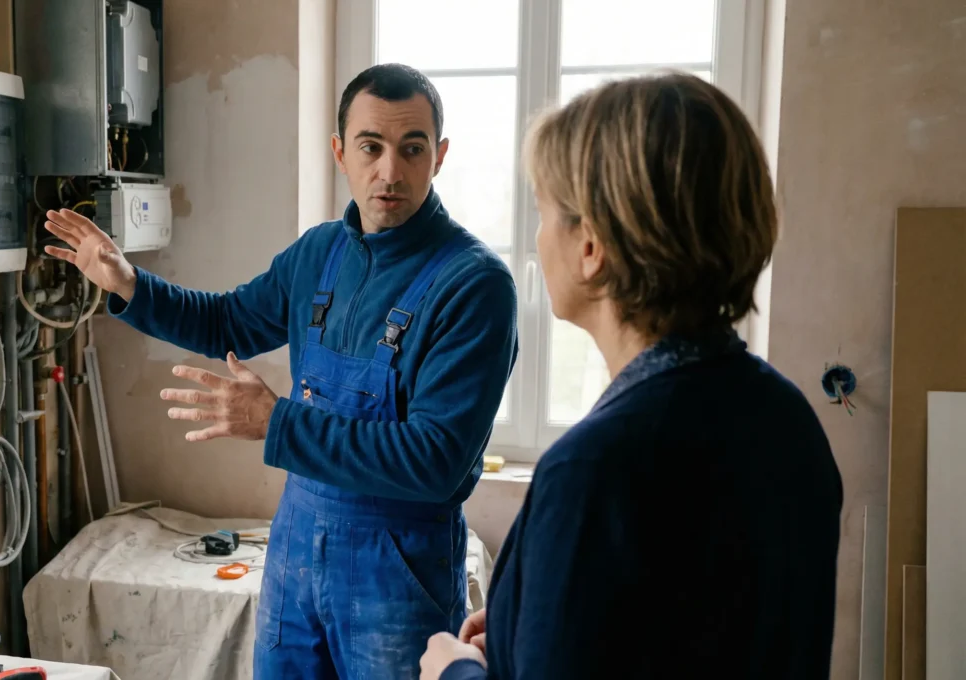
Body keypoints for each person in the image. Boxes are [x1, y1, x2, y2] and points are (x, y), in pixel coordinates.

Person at [44, 63, 519, 679]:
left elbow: (436, 461)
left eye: (412, 149)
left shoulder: (474, 285)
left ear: (440, 155)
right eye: (370, 147)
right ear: (339, 151)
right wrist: (129, 283)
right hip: (296, 550)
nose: (390, 172)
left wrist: (277, 422)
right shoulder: (319, 253)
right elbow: (225, 323)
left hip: (398, 569)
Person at [420, 72, 843, 679]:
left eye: (543, 212)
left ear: (590, 246)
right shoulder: (787, 418)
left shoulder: (596, 470)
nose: (538, 240)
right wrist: (520, 627)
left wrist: (455, 671)